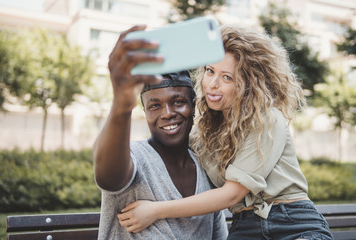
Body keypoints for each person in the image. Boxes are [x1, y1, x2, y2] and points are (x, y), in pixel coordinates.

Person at [117, 25, 334, 240]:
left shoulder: (267, 119)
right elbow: (166, 149)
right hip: (244, 227)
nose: (212, 84)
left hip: (292, 223)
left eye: (227, 77)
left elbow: (232, 194)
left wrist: (155, 210)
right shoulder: (205, 132)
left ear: (248, 84)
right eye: (210, 71)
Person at [93, 25, 228, 240]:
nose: (167, 113)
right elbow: (108, 177)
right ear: (144, 111)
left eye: (178, 102)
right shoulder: (135, 156)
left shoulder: (205, 167)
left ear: (193, 106)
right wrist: (122, 105)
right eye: (154, 106)